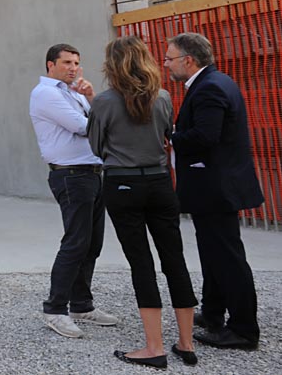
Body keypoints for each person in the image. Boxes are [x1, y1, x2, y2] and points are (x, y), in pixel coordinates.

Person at [89, 36, 197, 369]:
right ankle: (186, 342)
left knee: (141, 263)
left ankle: (154, 347)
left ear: (112, 65)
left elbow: (96, 146)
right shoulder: (163, 96)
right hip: (160, 182)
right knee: (174, 259)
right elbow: (167, 135)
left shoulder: (104, 102)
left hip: (123, 183)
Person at [166, 32, 263, 351]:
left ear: (188, 60)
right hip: (215, 187)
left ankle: (243, 329)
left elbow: (206, 136)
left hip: (216, 188)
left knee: (227, 257)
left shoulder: (208, 88)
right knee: (212, 253)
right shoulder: (216, 82)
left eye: (169, 58)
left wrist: (171, 136)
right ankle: (212, 313)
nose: (167, 64)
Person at [28, 43, 117, 339]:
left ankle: (81, 304)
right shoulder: (46, 93)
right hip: (71, 175)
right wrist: (96, 113)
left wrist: (90, 97)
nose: (74, 68)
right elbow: (84, 127)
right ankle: (54, 309)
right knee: (76, 242)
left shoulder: (71, 92)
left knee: (92, 244)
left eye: (77, 62)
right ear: (50, 65)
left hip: (92, 172)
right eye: (67, 62)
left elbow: (96, 122)